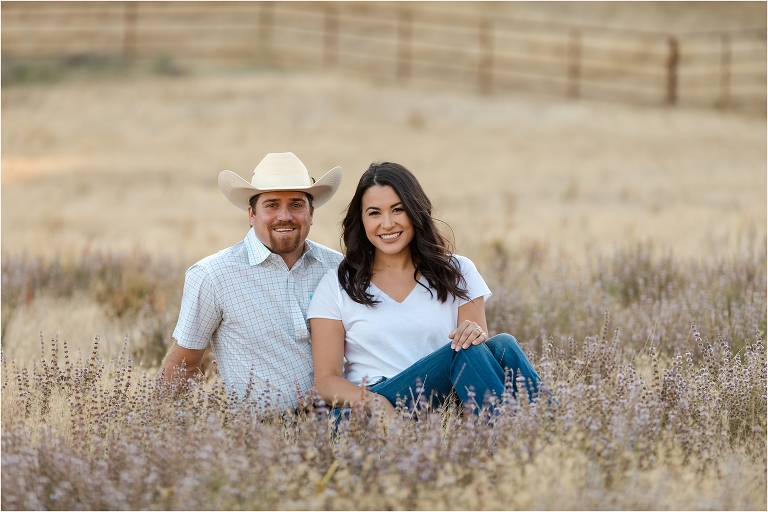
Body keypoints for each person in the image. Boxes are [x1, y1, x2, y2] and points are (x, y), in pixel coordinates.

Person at [308, 162, 541, 418]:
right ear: (361, 220)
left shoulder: (457, 271)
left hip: (443, 399)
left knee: (502, 345)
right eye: (374, 213)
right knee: (464, 351)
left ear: (415, 211)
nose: (387, 223)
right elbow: (325, 381)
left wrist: (475, 333)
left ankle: (546, 430)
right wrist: (375, 404)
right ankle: (521, 439)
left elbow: (477, 350)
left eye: (398, 210)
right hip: (370, 408)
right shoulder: (337, 285)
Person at [159, 152, 343, 410]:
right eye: (271, 205)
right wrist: (161, 424)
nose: (285, 216)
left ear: (311, 213)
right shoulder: (214, 275)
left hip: (344, 423)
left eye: (296, 204)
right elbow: (183, 364)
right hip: (263, 433)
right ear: (251, 214)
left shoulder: (338, 267)